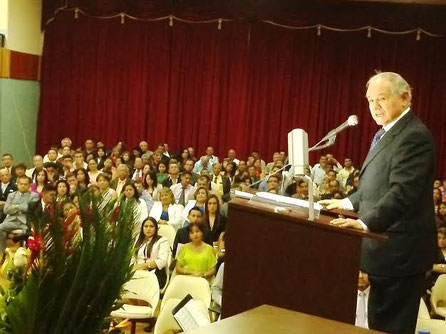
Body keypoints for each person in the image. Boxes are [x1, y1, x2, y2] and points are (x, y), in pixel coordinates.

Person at [320, 72, 436, 333]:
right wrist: (345, 204)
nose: (374, 107)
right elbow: (374, 187)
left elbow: (402, 192)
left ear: (405, 98)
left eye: (381, 99)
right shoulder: (386, 134)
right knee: (377, 325)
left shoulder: (413, 136)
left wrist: (363, 223)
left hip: (399, 252)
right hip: (383, 252)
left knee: (390, 327)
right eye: (370, 100)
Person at [0, 176, 39, 255]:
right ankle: (2, 253)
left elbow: (29, 209)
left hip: (25, 222)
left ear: (29, 185)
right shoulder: (11, 195)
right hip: (11, 221)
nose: (23, 186)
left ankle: (26, 255)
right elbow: (6, 210)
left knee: (27, 233)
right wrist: (21, 207)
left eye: (25, 184)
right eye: (21, 184)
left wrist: (15, 206)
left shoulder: (34, 196)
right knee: (0, 228)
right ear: (17, 185)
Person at [133, 217, 170, 288]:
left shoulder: (163, 240)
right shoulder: (138, 239)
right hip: (137, 271)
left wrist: (143, 266)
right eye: (146, 226)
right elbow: (132, 257)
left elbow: (162, 261)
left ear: (156, 228)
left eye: (151, 226)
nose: (148, 229)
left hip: (154, 273)